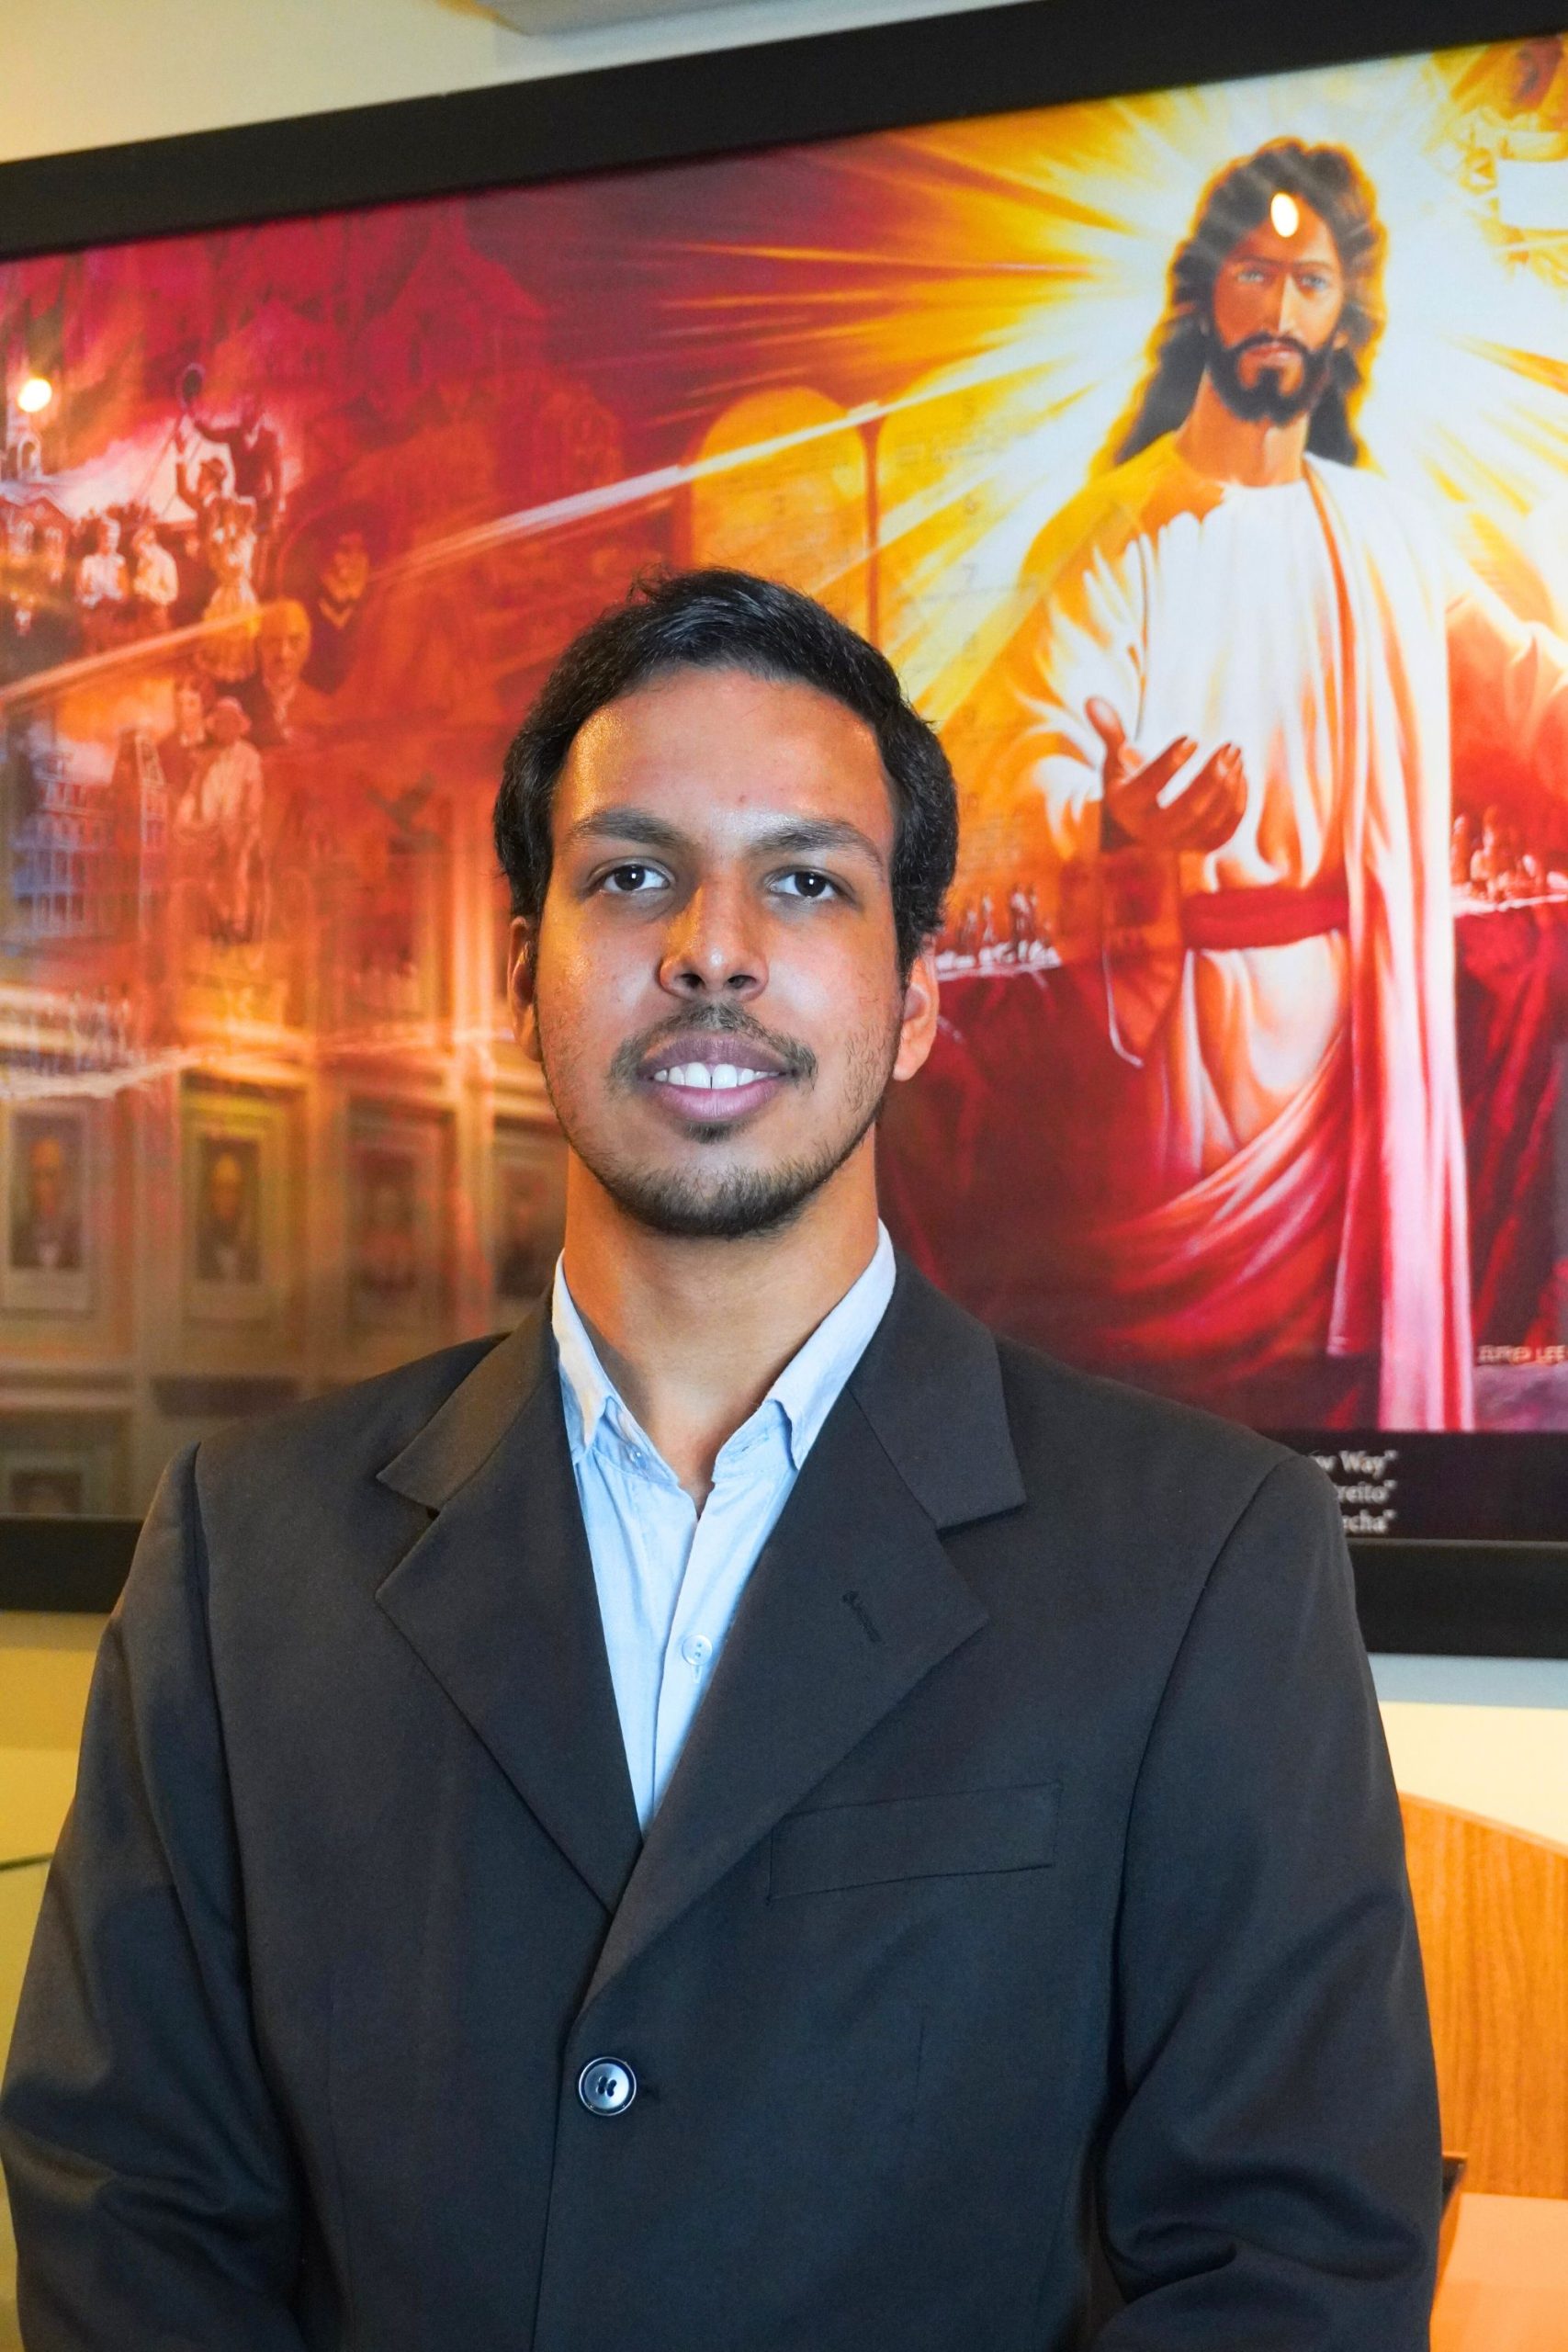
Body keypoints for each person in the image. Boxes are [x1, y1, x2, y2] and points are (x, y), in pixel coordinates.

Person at [0, 570, 1440, 2348]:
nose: (711, 946)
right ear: (518, 974)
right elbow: (127, 2214)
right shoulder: (244, 1556)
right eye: (629, 874)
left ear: (914, 1000)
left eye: (806, 880)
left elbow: (1295, 2262)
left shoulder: (1205, 1556)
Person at [958, 140, 1568, 1431]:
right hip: (1188, 1057)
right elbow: (1020, 754)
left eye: (1311, 281)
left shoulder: (1390, 535)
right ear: (1205, 296)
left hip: (1366, 1052)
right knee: (1183, 1424)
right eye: (1256, 274)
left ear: (1346, 317)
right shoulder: (1117, 532)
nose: (1281, 308)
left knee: (1344, 1421)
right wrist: (1116, 817)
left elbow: (1527, 694)